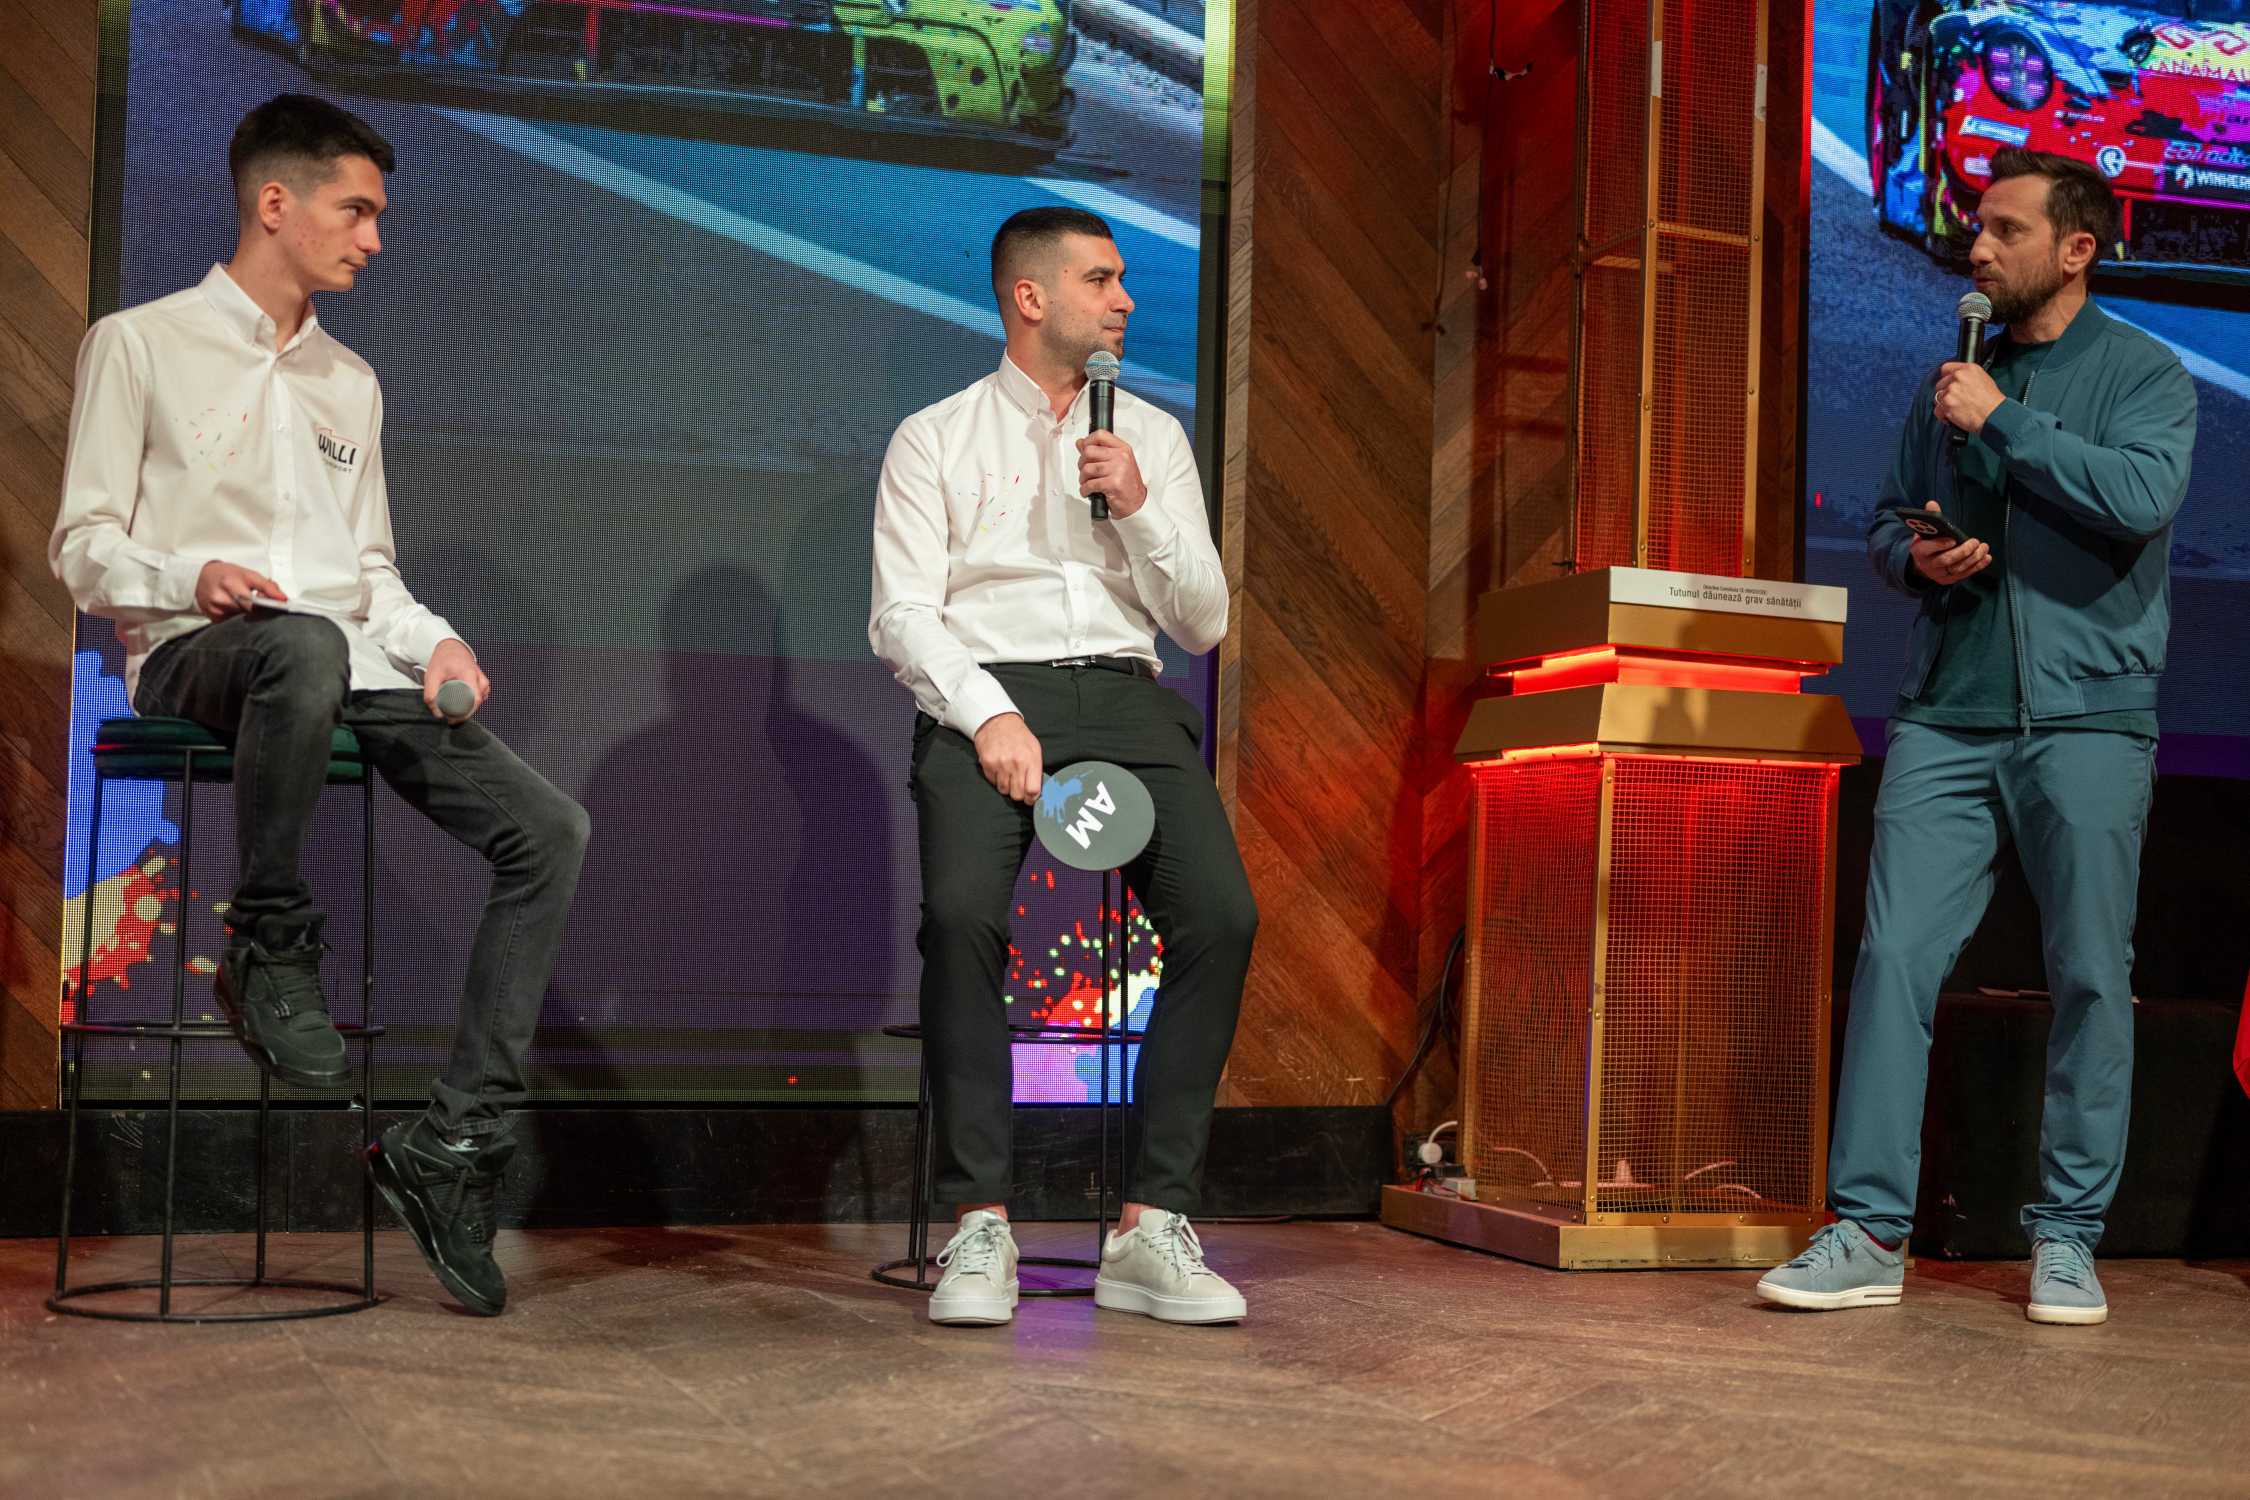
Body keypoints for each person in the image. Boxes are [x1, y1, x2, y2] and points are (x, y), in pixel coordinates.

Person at [50, 94, 591, 1318]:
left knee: (548, 830)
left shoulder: (352, 381)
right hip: (195, 649)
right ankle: (269, 943)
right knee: (294, 646)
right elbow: (81, 547)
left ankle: (452, 1143)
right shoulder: (141, 343)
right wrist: (188, 574)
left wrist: (434, 640)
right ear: (274, 203)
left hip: (341, 656)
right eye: (357, 211)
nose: (374, 239)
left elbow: (367, 575)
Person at [1756, 148, 2195, 1326]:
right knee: (1895, 959)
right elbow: (1890, 521)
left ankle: (2068, 1238)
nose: (1978, 248)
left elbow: (2139, 498)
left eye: (2006, 230)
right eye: (1979, 227)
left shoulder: (2144, 375)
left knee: (2089, 974)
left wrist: (2005, 424)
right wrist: (1919, 558)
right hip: (1948, 713)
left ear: (2077, 249)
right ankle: (1866, 1231)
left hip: (2088, 717)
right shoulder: (1953, 377)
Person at [870, 206, 1259, 1326]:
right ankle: (980, 1222)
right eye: (1102, 278)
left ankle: (1150, 1225)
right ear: (1030, 297)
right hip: (987, 688)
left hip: (1127, 695)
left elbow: (1201, 622)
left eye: (1123, 279)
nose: (1125, 299)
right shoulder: (934, 437)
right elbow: (902, 613)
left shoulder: (1152, 438)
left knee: (1221, 918)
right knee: (960, 918)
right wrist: (988, 713)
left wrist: (1137, 507)